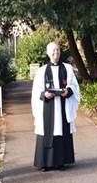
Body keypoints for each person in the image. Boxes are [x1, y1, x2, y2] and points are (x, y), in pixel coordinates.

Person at [31, 42, 80, 171]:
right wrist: (44, 94)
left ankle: (61, 162)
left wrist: (67, 91)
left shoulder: (67, 68)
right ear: (48, 53)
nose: (56, 53)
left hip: (63, 106)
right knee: (47, 131)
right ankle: (45, 163)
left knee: (61, 131)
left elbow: (74, 86)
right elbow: (36, 91)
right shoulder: (41, 71)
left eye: (57, 50)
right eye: (53, 51)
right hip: (47, 106)